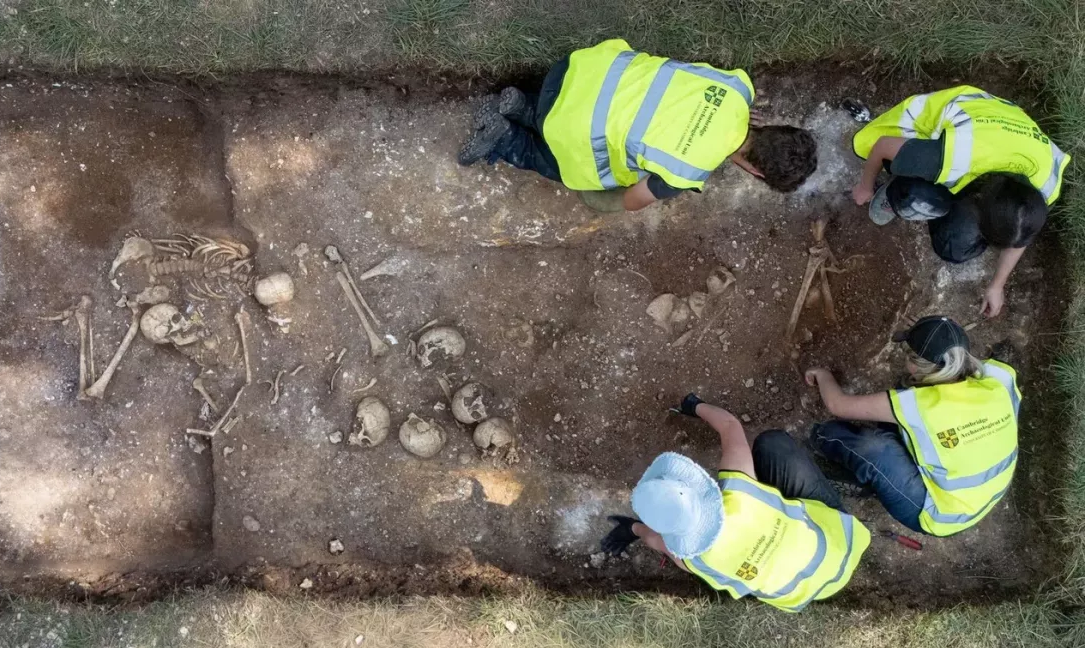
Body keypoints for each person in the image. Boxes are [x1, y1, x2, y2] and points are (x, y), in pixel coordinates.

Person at [458, 38, 818, 212]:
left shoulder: (738, 88)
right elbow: (631, 200)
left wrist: (734, 113)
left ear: (773, 127)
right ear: (755, 172)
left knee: (601, 109)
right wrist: (604, 199)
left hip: (576, 69)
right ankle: (506, 137)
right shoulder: (686, 172)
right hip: (565, 120)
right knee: (573, 168)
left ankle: (523, 105)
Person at [600, 395, 869, 612]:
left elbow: (654, 540)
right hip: (841, 542)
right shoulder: (739, 493)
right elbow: (730, 425)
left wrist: (631, 529)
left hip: (798, 593)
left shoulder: (696, 560)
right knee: (773, 443)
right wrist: (694, 406)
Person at [851, 86, 1071, 317]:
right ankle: (896, 190)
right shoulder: (953, 156)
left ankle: (943, 197)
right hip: (950, 126)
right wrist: (865, 187)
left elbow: (1021, 229)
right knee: (914, 198)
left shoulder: (1044, 186)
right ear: (980, 199)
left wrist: (997, 285)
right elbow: (883, 145)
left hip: (997, 147)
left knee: (954, 247)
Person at [806, 315, 1021, 537]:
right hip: (985, 494)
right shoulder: (1000, 379)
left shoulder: (924, 405)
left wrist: (822, 375)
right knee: (903, 401)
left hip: (941, 515)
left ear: (917, 365)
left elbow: (838, 405)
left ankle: (818, 438)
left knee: (873, 448)